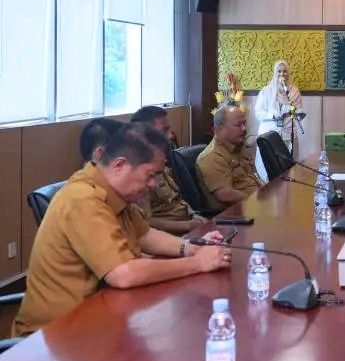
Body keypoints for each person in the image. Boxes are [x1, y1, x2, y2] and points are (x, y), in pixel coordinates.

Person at [11, 123, 231, 337]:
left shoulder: (115, 191)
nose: (153, 184)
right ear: (119, 165)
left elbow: (146, 235)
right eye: (150, 174)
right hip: (55, 335)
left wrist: (192, 248)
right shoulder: (83, 199)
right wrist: (198, 263)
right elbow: (123, 274)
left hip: (100, 316)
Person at [130, 106, 206, 235]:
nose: (171, 135)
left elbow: (177, 200)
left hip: (189, 228)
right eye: (165, 130)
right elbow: (145, 222)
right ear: (145, 135)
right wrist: (187, 225)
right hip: (169, 236)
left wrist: (194, 215)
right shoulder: (138, 173)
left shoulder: (163, 163)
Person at [196, 103, 263, 212]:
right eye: (238, 125)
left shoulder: (240, 149)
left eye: (244, 123)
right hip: (237, 213)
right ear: (219, 130)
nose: (244, 128)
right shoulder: (212, 157)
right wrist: (260, 202)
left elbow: (255, 178)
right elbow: (226, 195)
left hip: (255, 204)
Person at [254, 60, 303, 180]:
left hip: (288, 132)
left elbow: (299, 110)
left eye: (285, 71)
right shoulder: (266, 91)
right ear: (274, 73)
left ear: (288, 73)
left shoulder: (294, 91)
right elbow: (258, 113)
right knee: (268, 166)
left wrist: (298, 114)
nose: (282, 74)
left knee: (286, 166)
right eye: (279, 71)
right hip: (269, 134)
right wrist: (272, 115)